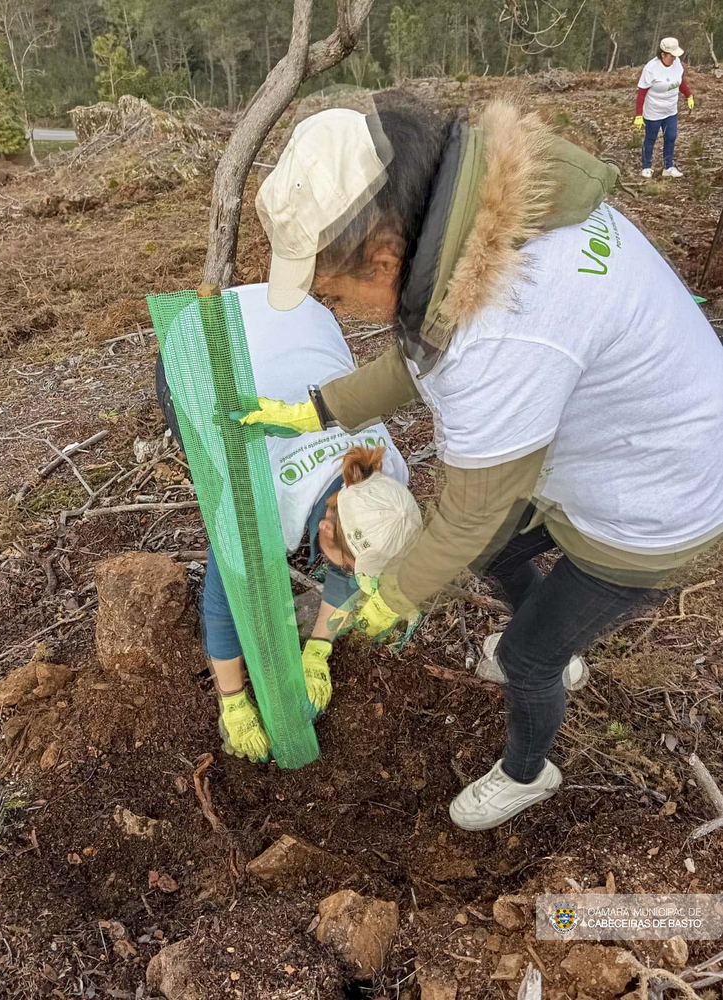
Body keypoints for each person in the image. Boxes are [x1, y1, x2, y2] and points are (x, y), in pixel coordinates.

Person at [237, 97, 723, 828]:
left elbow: (470, 511)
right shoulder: (483, 231)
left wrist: (390, 596)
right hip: (629, 442)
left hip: (652, 505)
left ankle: (529, 769)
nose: (338, 310)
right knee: (498, 549)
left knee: (526, 659)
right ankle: (552, 638)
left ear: (384, 258)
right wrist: (319, 410)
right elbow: (420, 358)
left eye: (336, 294)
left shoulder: (504, 331)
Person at [156, 283, 421, 762]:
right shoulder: (258, 502)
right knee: (214, 462)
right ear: (324, 530)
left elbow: (353, 549)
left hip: (292, 310)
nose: (355, 575)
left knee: (345, 550)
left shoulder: (389, 476)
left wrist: (318, 650)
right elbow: (221, 608)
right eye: (350, 564)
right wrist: (233, 702)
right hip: (201, 337)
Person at [634, 36, 693, 179]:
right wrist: (638, 115)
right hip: (654, 111)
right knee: (650, 139)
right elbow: (641, 93)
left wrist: (688, 95)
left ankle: (668, 166)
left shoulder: (677, 63)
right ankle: (646, 167)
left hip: (671, 110)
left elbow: (680, 81)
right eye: (672, 55)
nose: (675, 58)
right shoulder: (651, 69)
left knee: (671, 137)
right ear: (663, 54)